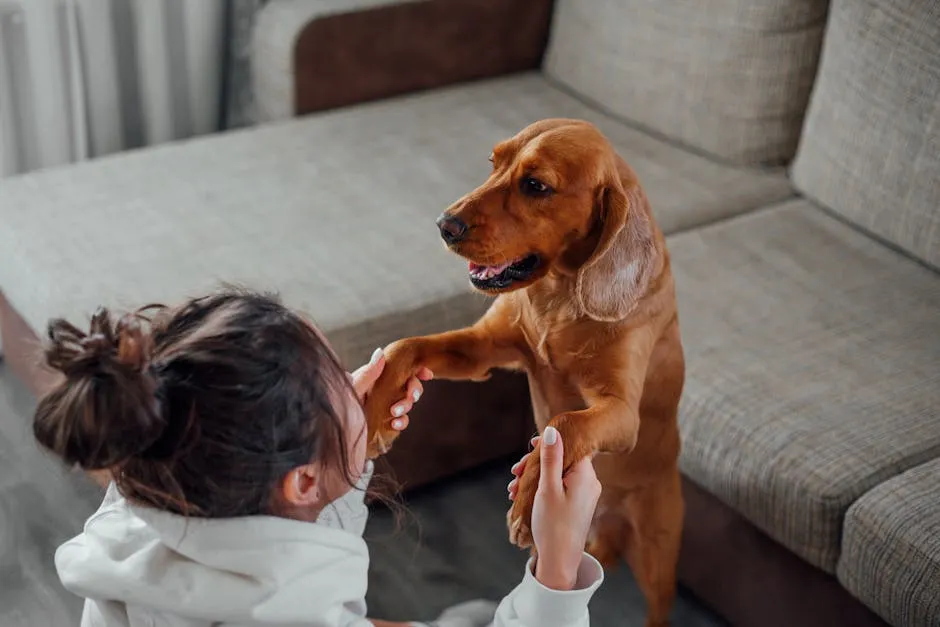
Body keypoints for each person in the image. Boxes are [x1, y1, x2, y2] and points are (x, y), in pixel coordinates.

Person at [34, 288, 604, 627]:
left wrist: (339, 453)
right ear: (301, 481)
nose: (354, 384)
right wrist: (558, 564)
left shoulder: (149, 484)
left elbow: (278, 535)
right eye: (337, 381)